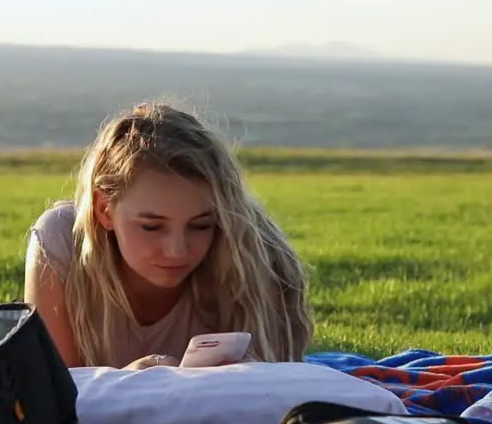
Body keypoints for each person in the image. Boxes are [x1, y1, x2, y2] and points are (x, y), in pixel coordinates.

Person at [22, 101, 314, 370]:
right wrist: (127, 383)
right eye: (151, 227)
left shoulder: (252, 249)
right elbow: (50, 399)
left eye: (201, 225)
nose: (177, 251)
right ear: (104, 210)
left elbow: (278, 395)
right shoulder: (61, 241)